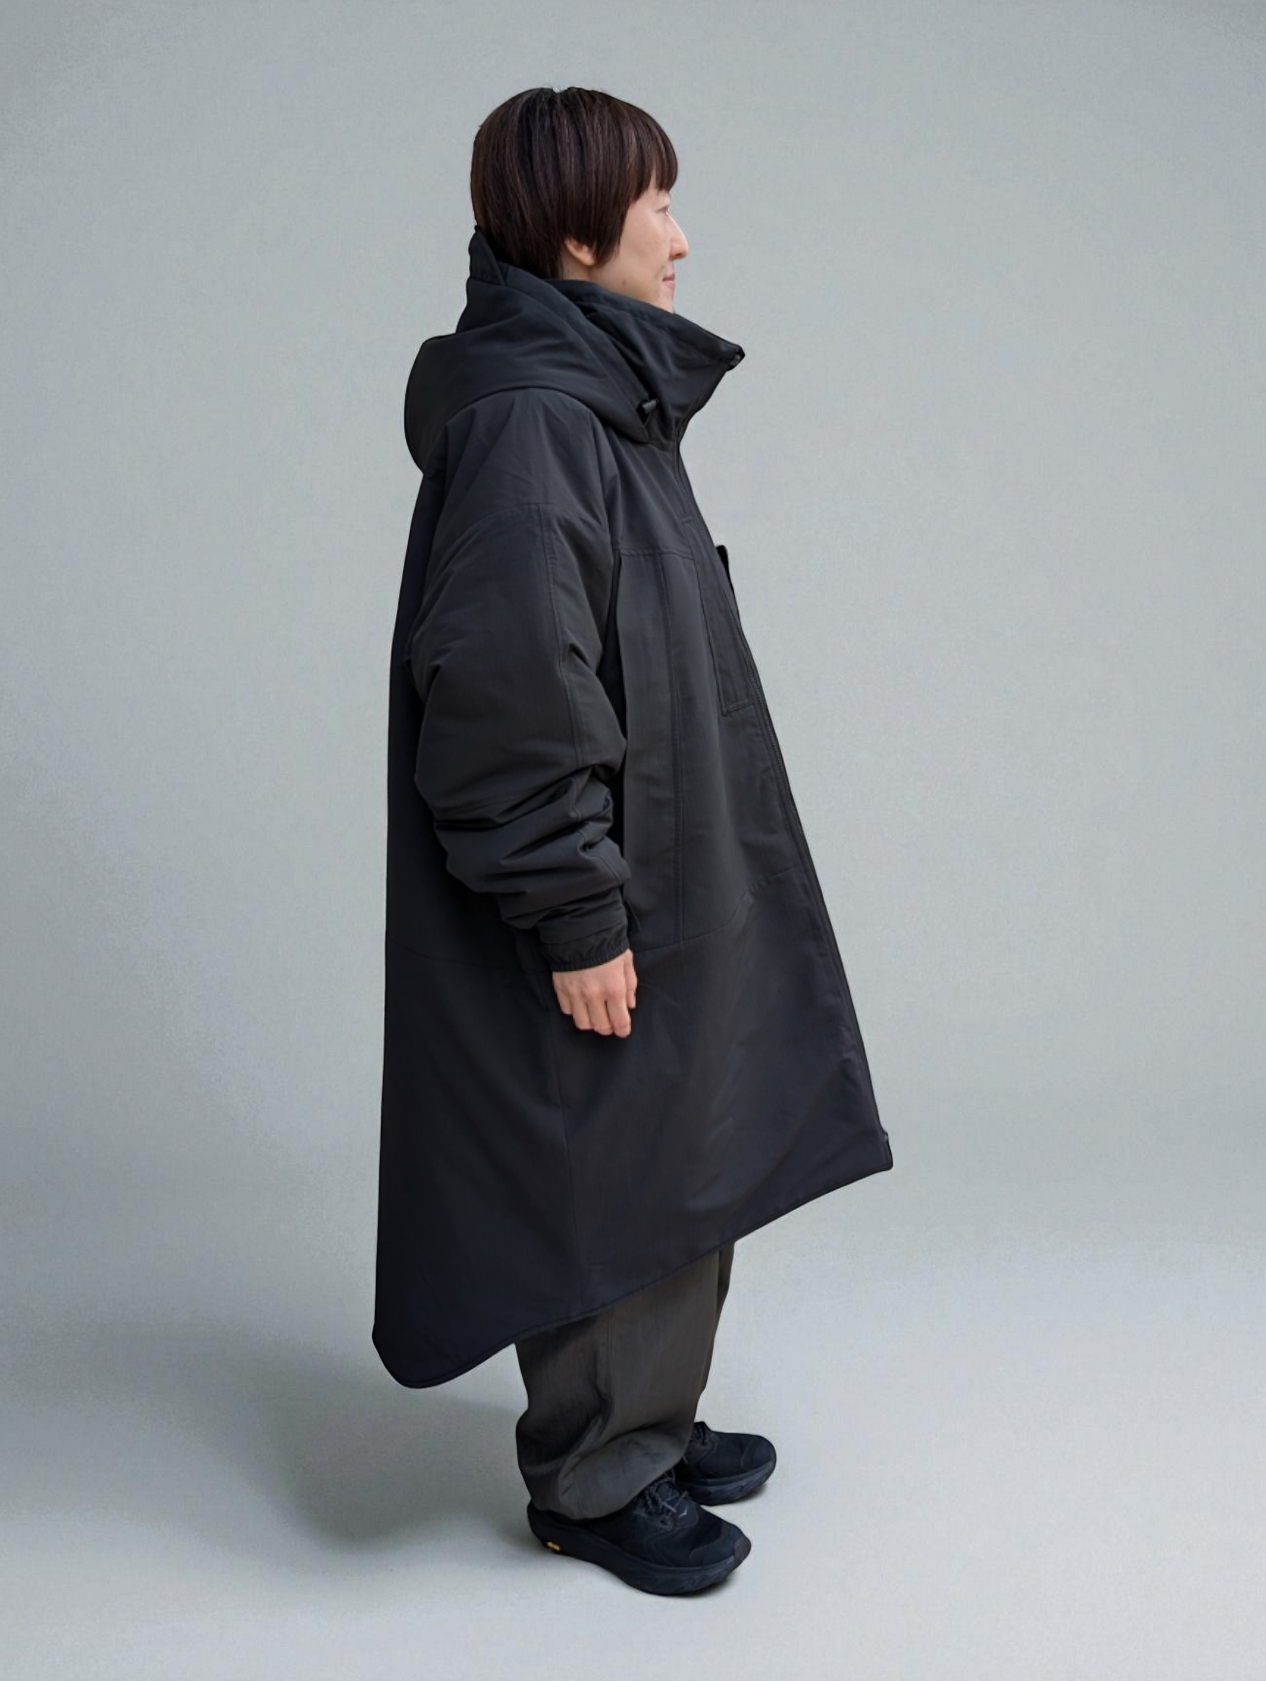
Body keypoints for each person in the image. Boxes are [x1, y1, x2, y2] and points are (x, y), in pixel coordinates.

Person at [374, 86, 893, 1595]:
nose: (680, 235)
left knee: (675, 1140)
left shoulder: (600, 400)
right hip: (603, 882)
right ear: (574, 235)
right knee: (603, 1153)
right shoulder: (536, 423)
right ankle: (596, 1473)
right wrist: (575, 908)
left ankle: (646, 1420)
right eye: (657, 203)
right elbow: (508, 692)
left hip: (662, 860)